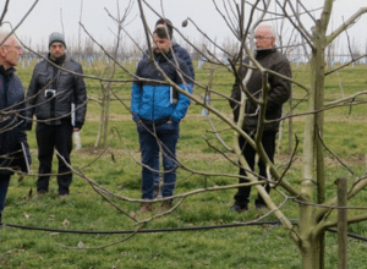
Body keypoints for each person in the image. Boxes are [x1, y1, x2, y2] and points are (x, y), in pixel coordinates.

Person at [229, 25, 291, 212]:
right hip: (244, 123)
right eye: (255, 37)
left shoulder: (279, 62)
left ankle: (263, 202)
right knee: (244, 164)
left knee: (265, 164)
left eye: (261, 37)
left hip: (267, 123)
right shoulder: (248, 60)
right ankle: (241, 201)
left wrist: (259, 108)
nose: (257, 41)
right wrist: (235, 105)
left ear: (272, 39)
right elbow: (237, 86)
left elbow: (283, 91)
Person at [131, 27, 192, 212]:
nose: (157, 45)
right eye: (155, 41)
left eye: (162, 42)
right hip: (145, 124)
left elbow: (186, 94)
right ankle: (147, 200)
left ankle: (167, 200)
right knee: (147, 163)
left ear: (170, 42)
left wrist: (175, 117)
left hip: (167, 124)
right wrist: (137, 114)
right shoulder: (143, 64)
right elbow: (136, 91)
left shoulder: (179, 65)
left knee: (169, 163)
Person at [26, 32, 87, 198]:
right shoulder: (39, 68)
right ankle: (42, 189)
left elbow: (81, 95)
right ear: (49, 48)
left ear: (65, 48)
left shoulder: (74, 67)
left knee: (64, 158)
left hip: (64, 122)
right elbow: (32, 94)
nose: (57, 49)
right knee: (43, 157)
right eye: (54, 46)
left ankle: (63, 190)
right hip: (44, 121)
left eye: (60, 46)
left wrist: (79, 119)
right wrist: (27, 118)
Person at [144, 18, 195, 198]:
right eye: (157, 33)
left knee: (168, 156)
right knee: (150, 156)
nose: (159, 39)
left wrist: (176, 113)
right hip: (149, 116)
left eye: (163, 33)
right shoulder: (148, 55)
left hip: (170, 113)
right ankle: (154, 187)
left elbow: (189, 83)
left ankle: (167, 192)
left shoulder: (181, 55)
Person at [0, 32, 31, 225]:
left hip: (6, 160)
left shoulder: (17, 83)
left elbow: (21, 124)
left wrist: (24, 155)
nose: (21, 52)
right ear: (3, 50)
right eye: (17, 48)